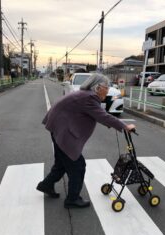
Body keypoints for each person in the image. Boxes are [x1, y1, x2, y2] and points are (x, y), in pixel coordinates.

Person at [36, 73, 136, 208]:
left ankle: (46, 185)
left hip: (58, 128)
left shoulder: (84, 94)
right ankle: (72, 199)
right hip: (64, 131)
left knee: (62, 163)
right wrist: (124, 126)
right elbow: (103, 116)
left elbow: (97, 115)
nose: (107, 90)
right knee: (78, 166)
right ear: (98, 87)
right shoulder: (89, 97)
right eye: (107, 87)